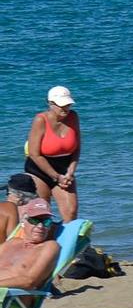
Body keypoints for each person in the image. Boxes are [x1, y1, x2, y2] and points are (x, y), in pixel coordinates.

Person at [23, 86, 81, 221]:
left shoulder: (73, 117)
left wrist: (70, 171)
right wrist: (55, 176)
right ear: (51, 104)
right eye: (62, 105)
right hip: (39, 170)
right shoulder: (40, 120)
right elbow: (34, 154)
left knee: (71, 212)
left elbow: (77, 148)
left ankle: (66, 240)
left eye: (68, 105)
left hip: (64, 169)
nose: (65, 109)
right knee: (43, 214)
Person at [0, 205, 63, 296]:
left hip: (11, 297)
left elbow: (29, 282)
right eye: (34, 220)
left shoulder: (50, 247)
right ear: (23, 222)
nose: (40, 226)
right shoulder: (12, 242)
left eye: (46, 222)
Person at [2, 172, 42, 240]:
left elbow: (12, 239)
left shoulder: (12, 210)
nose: (7, 196)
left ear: (18, 197)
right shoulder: (39, 210)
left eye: (8, 192)